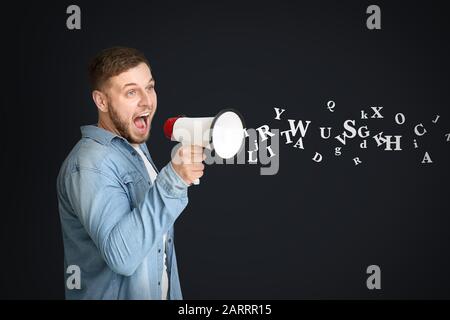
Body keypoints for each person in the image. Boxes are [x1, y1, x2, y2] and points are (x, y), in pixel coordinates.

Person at [56, 47, 205, 299]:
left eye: (150, 87)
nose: (147, 101)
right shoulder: (91, 163)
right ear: (101, 101)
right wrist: (173, 179)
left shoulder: (134, 149)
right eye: (131, 92)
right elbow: (123, 257)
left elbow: (156, 245)